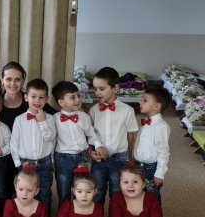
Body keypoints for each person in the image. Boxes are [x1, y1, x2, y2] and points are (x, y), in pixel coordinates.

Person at [0, 62, 56, 197]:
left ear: (23, 81)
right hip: (2, 157)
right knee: (4, 193)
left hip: (27, 155)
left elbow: (58, 116)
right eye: (9, 79)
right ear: (2, 80)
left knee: (39, 190)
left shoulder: (33, 100)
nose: (13, 84)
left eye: (17, 79)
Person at [88, 67, 139, 204]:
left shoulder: (127, 110)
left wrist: (130, 157)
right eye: (95, 89)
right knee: (97, 192)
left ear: (115, 88)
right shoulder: (93, 111)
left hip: (120, 157)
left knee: (117, 193)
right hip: (99, 159)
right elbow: (90, 134)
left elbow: (130, 135)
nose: (97, 93)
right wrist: (90, 151)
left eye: (101, 89)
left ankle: (115, 216)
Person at [52, 81, 103, 203]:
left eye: (78, 96)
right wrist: (52, 161)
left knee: (82, 188)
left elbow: (92, 134)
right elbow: (51, 141)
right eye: (73, 97)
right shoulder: (54, 119)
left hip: (81, 158)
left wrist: (98, 146)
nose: (78, 100)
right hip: (62, 159)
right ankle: (64, 212)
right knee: (63, 189)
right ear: (61, 102)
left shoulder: (84, 117)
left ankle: (80, 212)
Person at [10, 78, 56, 205]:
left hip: (44, 162)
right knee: (25, 194)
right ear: (26, 97)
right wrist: (17, 162)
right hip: (25, 162)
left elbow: (50, 138)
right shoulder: (19, 120)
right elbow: (14, 143)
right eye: (33, 96)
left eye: (41, 97)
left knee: (44, 193)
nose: (37, 101)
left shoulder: (50, 119)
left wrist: (42, 122)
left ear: (47, 99)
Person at [133, 86, 171, 204]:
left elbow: (163, 151)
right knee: (138, 194)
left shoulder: (161, 127)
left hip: (151, 169)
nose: (140, 102)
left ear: (157, 106)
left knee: (151, 197)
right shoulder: (146, 123)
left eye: (145, 100)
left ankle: (154, 215)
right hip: (138, 165)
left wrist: (160, 173)